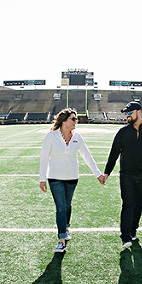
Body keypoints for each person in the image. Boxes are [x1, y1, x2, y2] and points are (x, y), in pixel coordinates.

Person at [40, 108, 105, 252]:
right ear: (64, 121)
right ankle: (61, 239)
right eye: (73, 119)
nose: (76, 121)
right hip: (55, 177)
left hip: (72, 177)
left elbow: (87, 156)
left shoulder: (77, 137)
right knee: (61, 207)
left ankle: (66, 226)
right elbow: (44, 157)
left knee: (67, 205)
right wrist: (42, 178)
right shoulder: (51, 136)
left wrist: (98, 174)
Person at [99, 102, 142, 249]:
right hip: (126, 175)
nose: (127, 115)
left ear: (139, 112)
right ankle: (125, 236)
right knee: (128, 204)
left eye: (129, 112)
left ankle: (133, 230)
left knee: (138, 204)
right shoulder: (122, 132)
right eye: (126, 113)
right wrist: (107, 172)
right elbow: (114, 153)